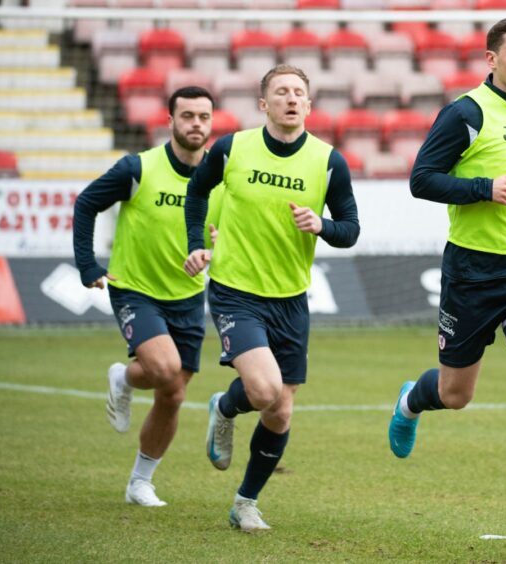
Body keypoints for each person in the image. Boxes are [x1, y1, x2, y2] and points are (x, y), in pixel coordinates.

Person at [386, 18, 506, 542]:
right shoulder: (466, 113)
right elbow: (422, 179)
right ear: (491, 60)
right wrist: (483, 188)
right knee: (455, 393)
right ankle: (411, 400)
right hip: (473, 272)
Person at [183, 64, 360, 533]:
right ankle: (226, 406)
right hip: (235, 291)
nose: (290, 99)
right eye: (280, 92)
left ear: (308, 103)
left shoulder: (328, 162)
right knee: (262, 391)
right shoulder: (231, 148)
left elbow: (351, 229)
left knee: (280, 410)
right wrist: (194, 244)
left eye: (298, 92)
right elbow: (196, 193)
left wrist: (323, 225)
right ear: (264, 104)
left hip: (291, 299)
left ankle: (245, 502)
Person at [73, 86, 222, 507]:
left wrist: (215, 246)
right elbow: (86, 203)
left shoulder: (220, 177)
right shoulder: (138, 168)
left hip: (189, 295)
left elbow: (225, 233)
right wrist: (88, 265)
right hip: (135, 288)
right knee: (165, 368)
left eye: (204, 117)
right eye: (188, 116)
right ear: (169, 121)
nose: (196, 124)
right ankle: (124, 376)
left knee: (173, 392)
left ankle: (140, 481)